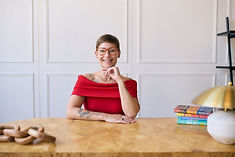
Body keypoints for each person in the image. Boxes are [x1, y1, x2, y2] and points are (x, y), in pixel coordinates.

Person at [66, 34, 140, 124]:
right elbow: (70, 111)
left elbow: (131, 113)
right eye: (102, 51)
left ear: (118, 53)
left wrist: (119, 80)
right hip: (90, 131)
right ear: (96, 54)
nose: (107, 55)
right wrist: (107, 117)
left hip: (121, 132)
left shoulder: (129, 83)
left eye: (112, 50)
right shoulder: (85, 80)